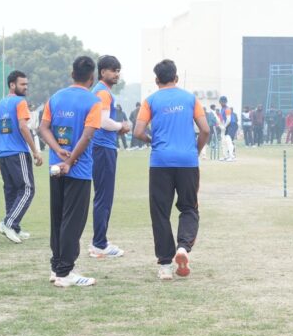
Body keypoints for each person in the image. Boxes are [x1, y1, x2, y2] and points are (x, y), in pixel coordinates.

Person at [133, 59, 210, 280]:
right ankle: (183, 247)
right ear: (175, 78)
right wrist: (195, 151)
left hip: (160, 162)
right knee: (189, 208)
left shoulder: (150, 101)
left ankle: (165, 265)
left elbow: (138, 132)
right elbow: (205, 130)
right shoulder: (190, 99)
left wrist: (152, 140)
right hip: (187, 161)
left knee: (160, 213)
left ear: (156, 80)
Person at [38, 56, 102, 287]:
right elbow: (87, 135)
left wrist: (58, 151)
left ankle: (56, 268)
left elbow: (43, 128)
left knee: (57, 219)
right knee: (72, 222)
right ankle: (65, 273)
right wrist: (71, 161)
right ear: (92, 77)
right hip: (78, 170)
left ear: (72, 74)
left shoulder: (55, 98)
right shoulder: (93, 102)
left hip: (56, 168)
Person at [0, 70, 44, 243]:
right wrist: (35, 151)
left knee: (11, 191)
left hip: (5, 155)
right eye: (22, 84)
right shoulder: (20, 102)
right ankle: (8, 223)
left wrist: (0, 155)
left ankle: (14, 228)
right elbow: (23, 127)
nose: (26, 87)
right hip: (18, 153)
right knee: (27, 189)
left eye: (26, 84)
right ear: (12, 85)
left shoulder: (0, 104)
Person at [89, 55, 130, 259]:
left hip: (99, 147)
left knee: (101, 196)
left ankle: (98, 241)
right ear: (103, 71)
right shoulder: (103, 93)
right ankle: (99, 244)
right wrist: (121, 125)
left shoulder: (98, 91)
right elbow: (104, 121)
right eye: (113, 70)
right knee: (104, 196)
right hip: (103, 147)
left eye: (118, 70)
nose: (116, 74)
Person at [218, 96, 237, 161]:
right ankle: (225, 156)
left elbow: (228, 120)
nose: (222, 103)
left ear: (226, 102)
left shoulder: (227, 109)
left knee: (228, 139)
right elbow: (222, 119)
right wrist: (221, 125)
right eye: (221, 101)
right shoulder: (221, 109)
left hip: (232, 125)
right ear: (220, 102)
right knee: (223, 141)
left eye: (224, 102)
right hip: (226, 125)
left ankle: (232, 156)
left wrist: (224, 126)